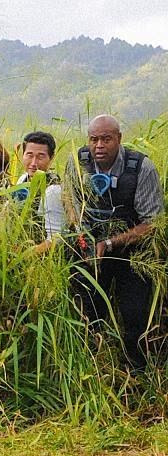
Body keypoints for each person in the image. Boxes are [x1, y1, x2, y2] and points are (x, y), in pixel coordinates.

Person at [66, 115, 164, 372]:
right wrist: (83, 237)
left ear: (119, 139)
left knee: (134, 314)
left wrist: (111, 243)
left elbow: (152, 222)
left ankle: (137, 371)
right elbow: (71, 204)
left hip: (133, 252)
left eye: (106, 139)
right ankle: (92, 367)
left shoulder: (140, 168)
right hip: (90, 249)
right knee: (88, 310)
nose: (99, 145)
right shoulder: (77, 162)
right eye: (93, 139)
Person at [14, 131, 66, 253]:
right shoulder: (23, 179)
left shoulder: (53, 190)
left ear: (51, 158)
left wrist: (24, 256)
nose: (33, 163)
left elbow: (56, 238)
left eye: (40, 157)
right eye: (29, 155)